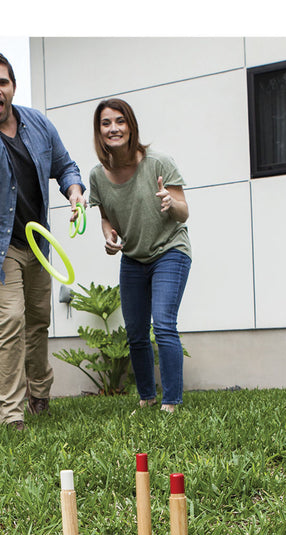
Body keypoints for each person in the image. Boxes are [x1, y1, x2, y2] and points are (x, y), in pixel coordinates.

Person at [0, 51, 86, 430]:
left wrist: (75, 193)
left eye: (3, 82)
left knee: (38, 321)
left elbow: (65, 166)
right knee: (12, 318)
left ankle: (39, 396)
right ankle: (11, 415)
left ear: (12, 86)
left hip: (37, 245)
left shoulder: (38, 124)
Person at [88, 98, 191, 413]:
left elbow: (183, 212)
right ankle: (147, 398)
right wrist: (109, 235)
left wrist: (170, 203)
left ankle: (171, 402)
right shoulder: (98, 176)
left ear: (131, 126)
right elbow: (106, 217)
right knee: (135, 333)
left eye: (120, 121)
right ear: (99, 131)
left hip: (169, 250)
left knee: (163, 324)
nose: (114, 128)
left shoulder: (158, 163)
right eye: (106, 123)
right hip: (133, 257)